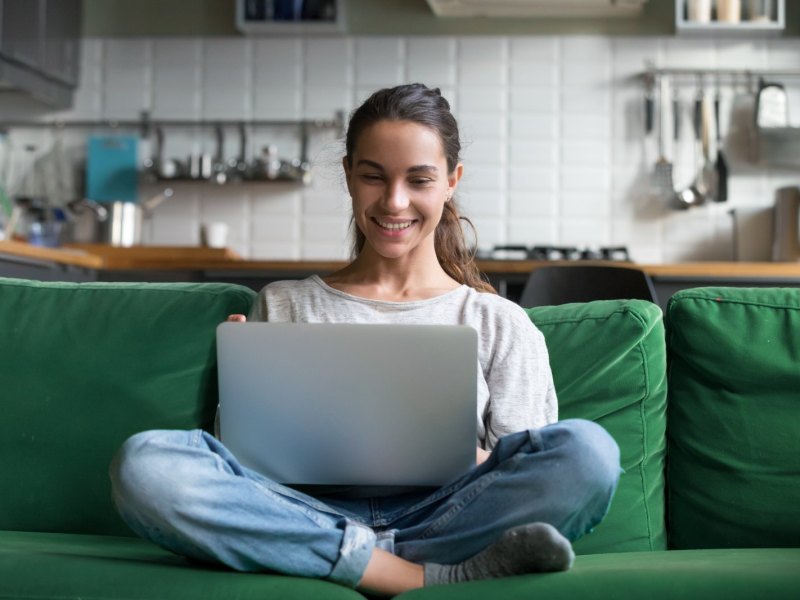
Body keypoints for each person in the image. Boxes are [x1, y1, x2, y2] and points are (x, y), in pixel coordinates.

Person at [110, 83, 621, 597]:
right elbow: (246, 469)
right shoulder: (284, 304)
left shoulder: (498, 321)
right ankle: (409, 574)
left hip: (446, 518)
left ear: (451, 182)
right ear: (350, 176)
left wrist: (462, 456)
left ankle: (336, 561)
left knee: (589, 452)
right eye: (373, 176)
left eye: (418, 179)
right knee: (146, 465)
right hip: (305, 513)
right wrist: (242, 394)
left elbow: (524, 469)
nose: (394, 201)